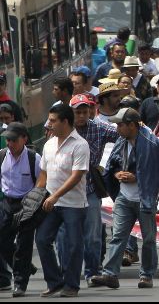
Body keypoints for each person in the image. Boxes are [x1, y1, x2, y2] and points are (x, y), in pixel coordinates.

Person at [91, 108, 159, 290]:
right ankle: (110, 274)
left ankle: (146, 276)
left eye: (120, 124)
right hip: (124, 197)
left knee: (148, 239)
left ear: (132, 125)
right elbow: (113, 165)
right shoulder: (121, 141)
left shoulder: (152, 143)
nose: (117, 128)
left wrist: (136, 178)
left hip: (145, 199)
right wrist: (118, 174)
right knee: (118, 236)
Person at [35, 104, 90, 298]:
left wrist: (56, 195)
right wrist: (35, 195)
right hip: (51, 202)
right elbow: (43, 173)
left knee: (74, 245)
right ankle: (55, 282)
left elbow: (77, 176)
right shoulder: (49, 143)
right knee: (42, 239)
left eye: (53, 120)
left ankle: (71, 285)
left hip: (73, 204)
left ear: (65, 121)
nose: (49, 124)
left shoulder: (80, 144)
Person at [68, 94, 119, 287]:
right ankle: (67, 272)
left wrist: (113, 164)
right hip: (67, 190)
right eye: (77, 112)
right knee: (67, 236)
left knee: (93, 236)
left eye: (84, 111)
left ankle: (92, 272)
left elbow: (123, 135)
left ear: (91, 111)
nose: (81, 115)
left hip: (90, 188)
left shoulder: (99, 128)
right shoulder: (63, 129)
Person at [0, 123, 40, 297]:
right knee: (2, 241)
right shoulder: (1, 156)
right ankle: (25, 266)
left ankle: (20, 283)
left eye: (14, 140)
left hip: (27, 204)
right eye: (8, 140)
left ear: (24, 139)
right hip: (7, 204)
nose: (10, 144)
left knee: (24, 245)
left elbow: (42, 182)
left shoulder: (34, 158)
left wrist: (32, 204)